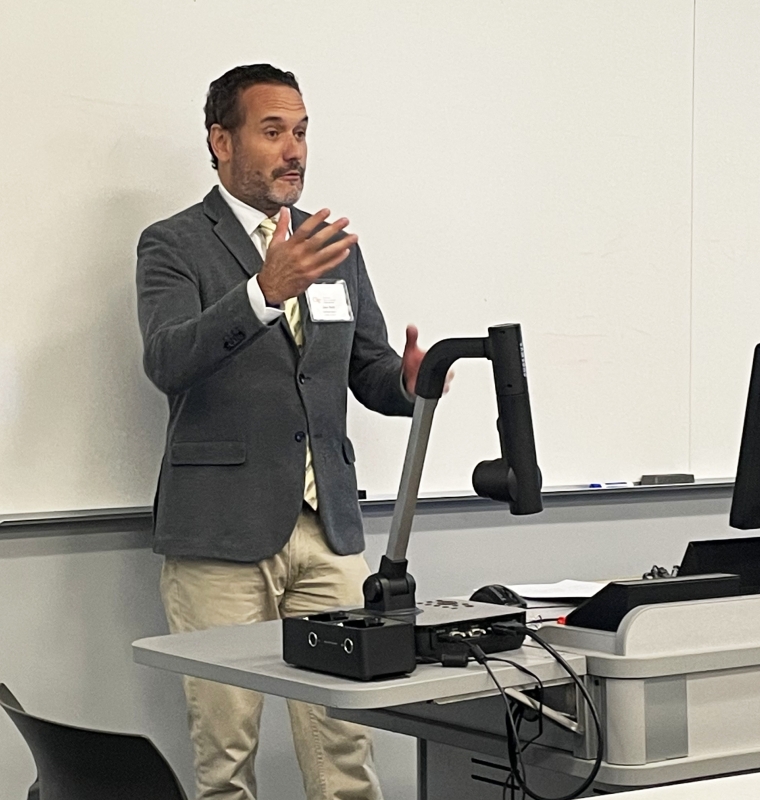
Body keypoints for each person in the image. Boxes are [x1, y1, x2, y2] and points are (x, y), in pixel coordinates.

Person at [135, 63, 440, 800]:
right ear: (221, 141)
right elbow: (169, 358)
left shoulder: (333, 245)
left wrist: (409, 383)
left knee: (345, 746)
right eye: (272, 131)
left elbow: (364, 369)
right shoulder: (174, 243)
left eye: (301, 131)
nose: (293, 149)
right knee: (226, 752)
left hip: (328, 526)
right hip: (222, 531)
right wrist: (263, 292)